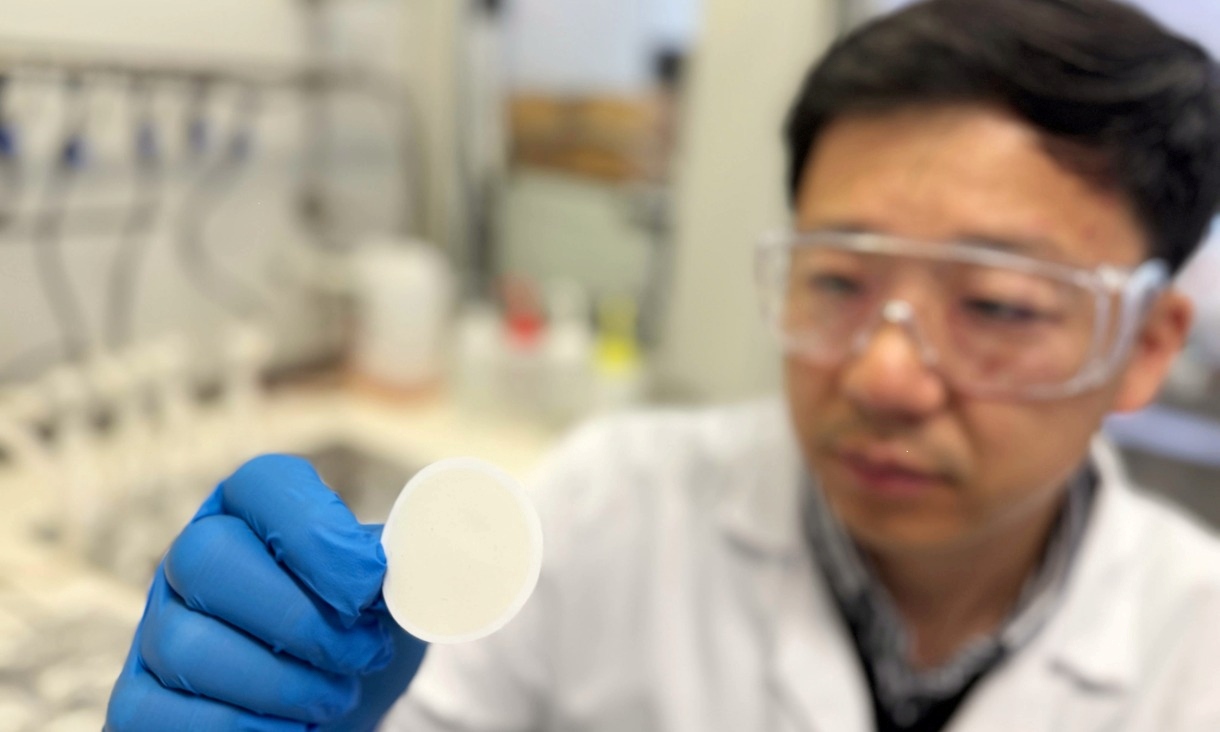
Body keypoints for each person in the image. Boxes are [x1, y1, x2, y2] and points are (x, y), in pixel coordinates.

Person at [105, 0, 1220, 730]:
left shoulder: (1198, 651)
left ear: (1146, 347)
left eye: (996, 305)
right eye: (837, 281)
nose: (884, 375)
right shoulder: (609, 506)